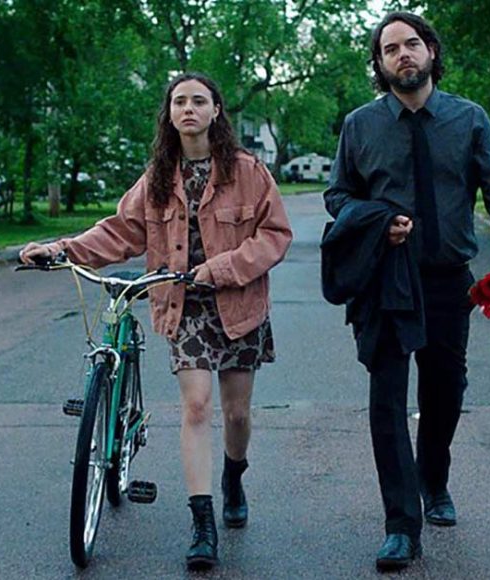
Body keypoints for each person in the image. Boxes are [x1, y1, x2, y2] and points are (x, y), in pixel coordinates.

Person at [20, 72, 292, 571]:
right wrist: (61, 249)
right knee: (196, 406)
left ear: (216, 111)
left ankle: (233, 476)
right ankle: (202, 523)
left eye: (199, 101)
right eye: (179, 101)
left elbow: (274, 235)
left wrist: (221, 269)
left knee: (236, 414)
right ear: (169, 113)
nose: (189, 109)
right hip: (182, 305)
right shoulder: (158, 177)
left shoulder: (248, 171)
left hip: (239, 305)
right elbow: (119, 232)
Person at [322, 12, 490, 571]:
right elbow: (338, 196)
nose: (403, 55)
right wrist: (376, 221)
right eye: (390, 49)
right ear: (380, 63)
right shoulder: (361, 125)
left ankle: (433, 477)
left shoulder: (469, 118)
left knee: (445, 391)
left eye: (411, 44)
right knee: (387, 400)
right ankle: (400, 525)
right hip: (385, 281)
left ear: (431, 51)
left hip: (447, 280)